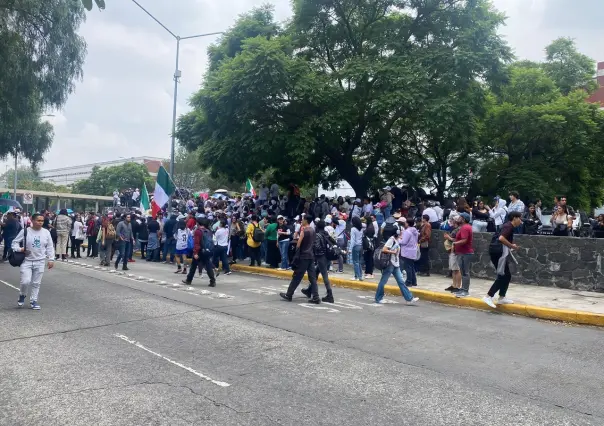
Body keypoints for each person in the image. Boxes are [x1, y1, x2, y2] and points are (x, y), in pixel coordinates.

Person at [12, 213, 55, 310]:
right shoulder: (25, 231)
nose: (40, 223)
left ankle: (33, 301)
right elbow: (14, 243)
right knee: (25, 281)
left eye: (42, 221)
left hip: (40, 261)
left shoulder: (46, 232)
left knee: (36, 283)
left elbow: (50, 246)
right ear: (32, 220)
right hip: (26, 261)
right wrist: (20, 249)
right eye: (38, 220)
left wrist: (51, 259)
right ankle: (22, 295)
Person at [483, 212, 523, 308]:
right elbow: (501, 238)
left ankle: (502, 297)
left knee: (507, 275)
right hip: (498, 252)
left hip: (497, 251)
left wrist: (510, 246)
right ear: (514, 218)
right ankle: (488, 296)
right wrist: (511, 245)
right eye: (520, 219)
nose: (521, 221)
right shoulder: (508, 226)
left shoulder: (508, 226)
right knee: (503, 275)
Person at [280, 215, 320, 304]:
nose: (301, 221)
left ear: (306, 220)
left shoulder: (304, 231)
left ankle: (289, 294)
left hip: (303, 256)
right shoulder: (313, 230)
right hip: (311, 256)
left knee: (297, 276)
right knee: (312, 278)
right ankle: (316, 296)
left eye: (303, 219)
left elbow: (298, 244)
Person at [374, 225, 419, 305]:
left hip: (395, 264)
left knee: (401, 281)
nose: (402, 232)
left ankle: (409, 299)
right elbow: (384, 249)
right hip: (390, 264)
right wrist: (393, 252)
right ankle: (378, 298)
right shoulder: (391, 239)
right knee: (383, 281)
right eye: (401, 231)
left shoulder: (398, 239)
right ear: (397, 232)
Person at [444, 212, 473, 298]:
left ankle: (465, 290)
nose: (458, 218)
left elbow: (464, 240)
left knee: (465, 272)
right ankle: (463, 289)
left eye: (460, 217)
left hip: (465, 252)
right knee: (463, 271)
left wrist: (455, 243)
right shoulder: (464, 227)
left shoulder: (465, 228)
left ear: (463, 219)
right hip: (462, 252)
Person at [183, 217, 216, 287]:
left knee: (193, 266)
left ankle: (188, 280)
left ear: (198, 223)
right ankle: (212, 281)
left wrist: (195, 253)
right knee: (207, 265)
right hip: (206, 251)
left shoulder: (198, 231)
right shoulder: (208, 231)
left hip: (199, 251)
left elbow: (196, 243)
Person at [350, 216, 364, 281]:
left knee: (355, 262)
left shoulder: (353, 229)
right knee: (359, 262)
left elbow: (352, 240)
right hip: (361, 246)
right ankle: (359, 275)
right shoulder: (361, 228)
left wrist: (350, 248)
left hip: (355, 246)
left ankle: (358, 276)